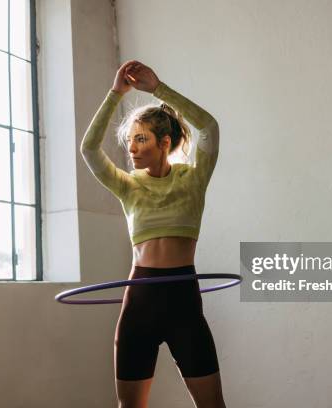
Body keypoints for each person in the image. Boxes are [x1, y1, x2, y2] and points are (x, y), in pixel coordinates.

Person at [80, 60, 224, 408]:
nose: (130, 149)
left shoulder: (193, 179)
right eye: (129, 140)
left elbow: (209, 128)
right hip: (140, 301)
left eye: (140, 139)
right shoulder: (127, 186)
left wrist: (158, 89)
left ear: (165, 142)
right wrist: (116, 94)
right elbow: (89, 149)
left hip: (183, 302)